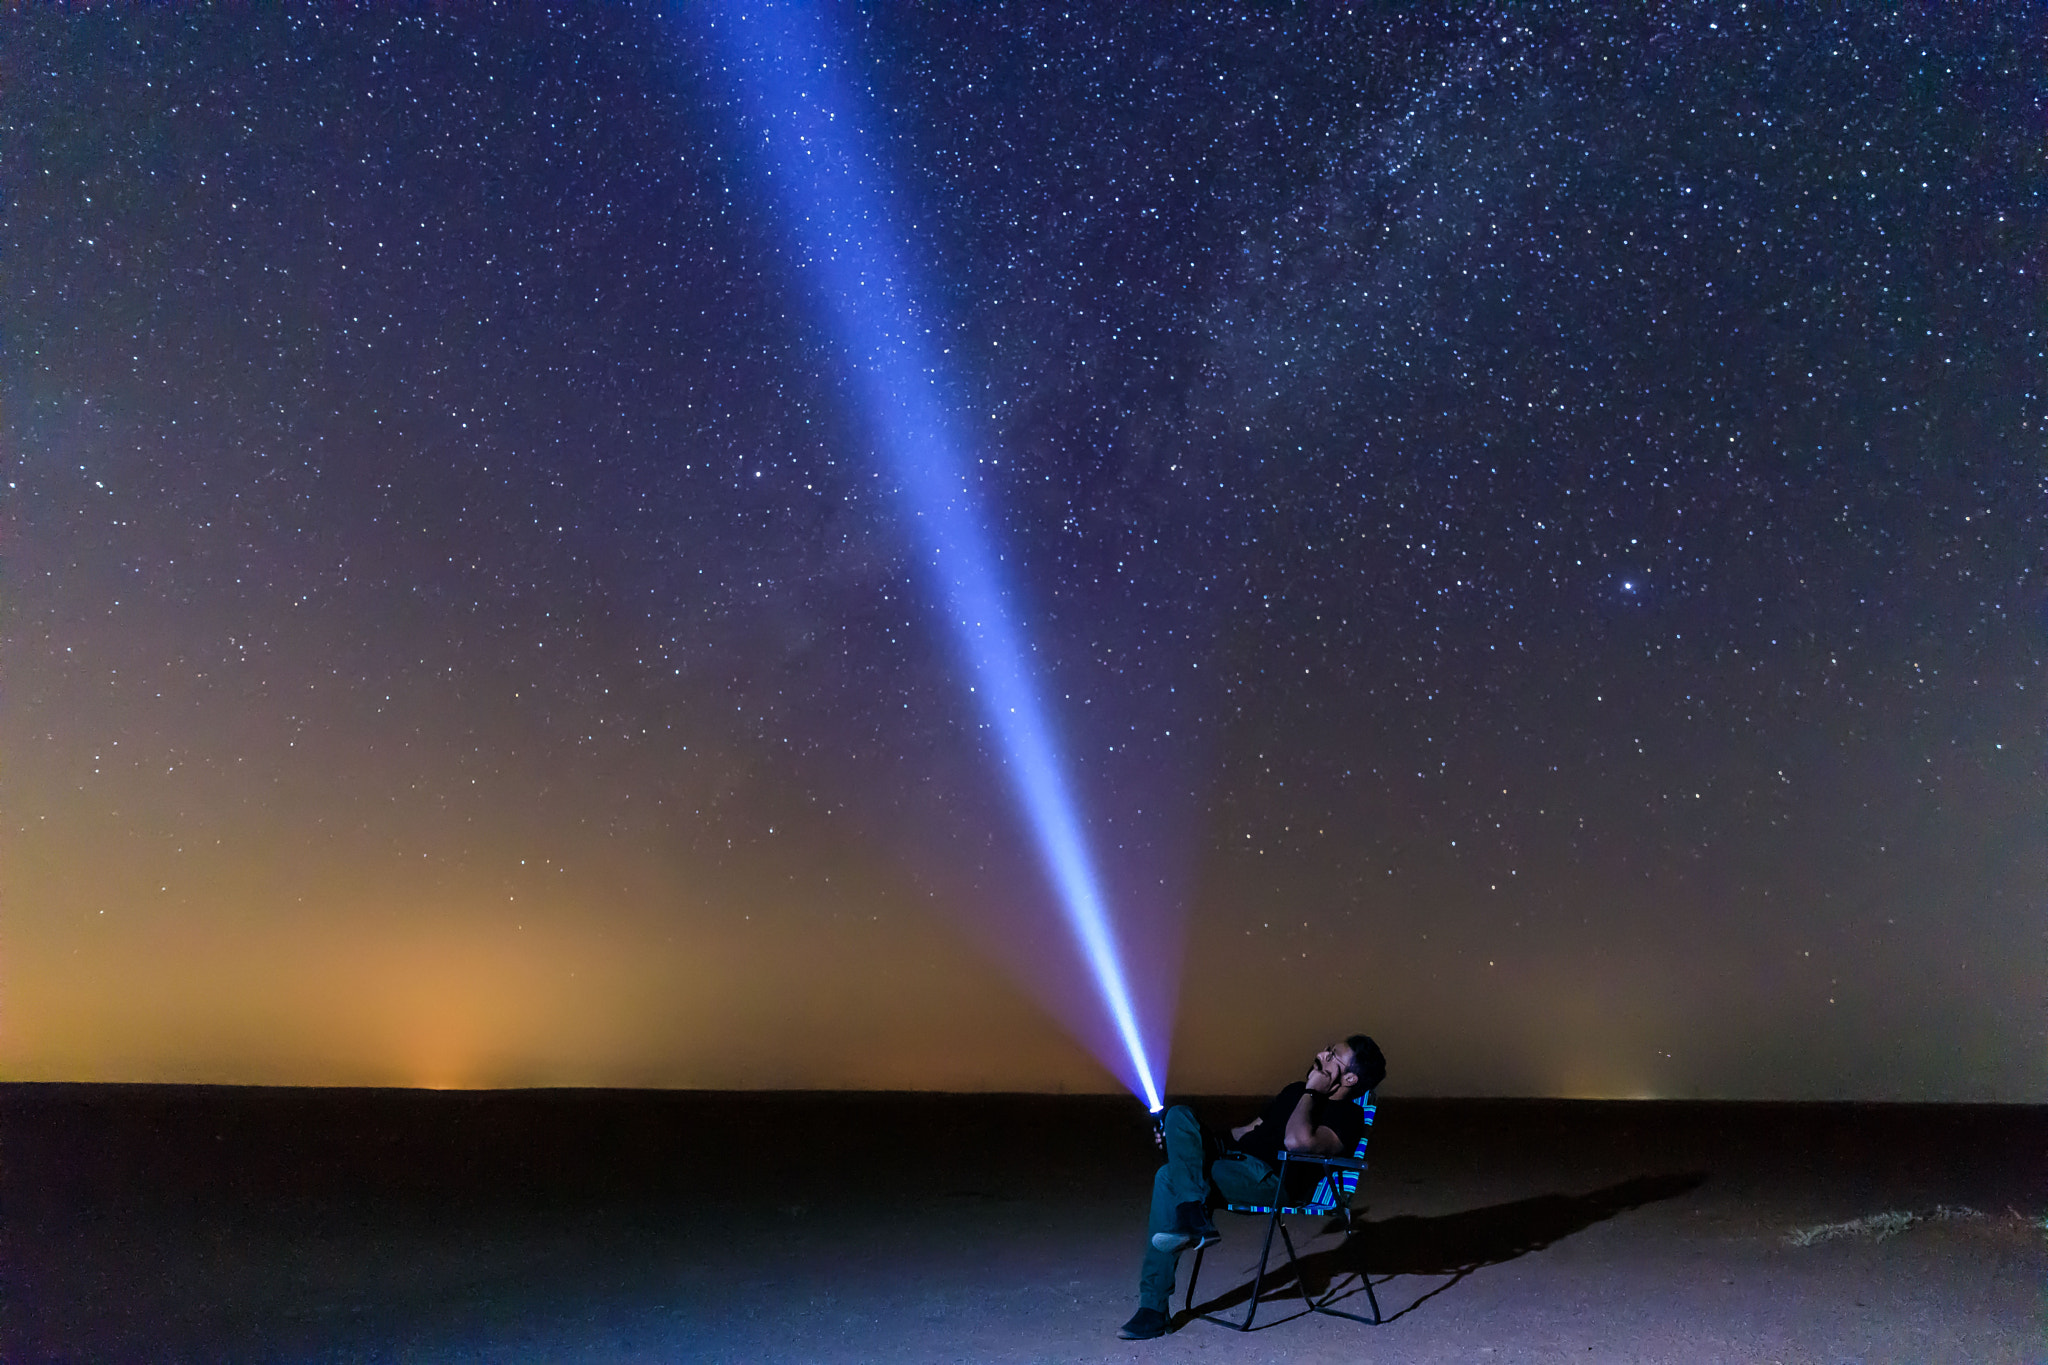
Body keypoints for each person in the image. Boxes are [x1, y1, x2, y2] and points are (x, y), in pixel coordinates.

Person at [1117, 1034, 1386, 1341]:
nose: (1321, 1055)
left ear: (1350, 1077)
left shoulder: (1347, 1115)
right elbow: (1245, 1131)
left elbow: (1298, 1142)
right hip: (1235, 1163)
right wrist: (1187, 1141)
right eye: (1326, 1049)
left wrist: (1313, 1091)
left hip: (1272, 1180)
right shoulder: (1294, 1091)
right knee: (1177, 1115)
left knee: (1168, 1178)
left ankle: (1154, 1307)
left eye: (1332, 1055)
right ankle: (1194, 1216)